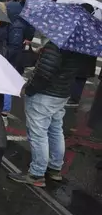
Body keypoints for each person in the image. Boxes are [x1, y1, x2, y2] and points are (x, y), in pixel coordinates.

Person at [8, 39, 84, 187]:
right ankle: (55, 168)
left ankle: (36, 173)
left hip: (45, 94)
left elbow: (44, 73)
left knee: (38, 133)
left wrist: (28, 89)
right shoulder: (76, 44)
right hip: (61, 92)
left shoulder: (56, 44)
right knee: (55, 129)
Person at [67, 4, 97, 107]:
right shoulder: (95, 24)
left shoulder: (80, 23)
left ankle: (73, 98)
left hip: (80, 57)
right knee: (80, 79)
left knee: (76, 78)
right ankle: (74, 98)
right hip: (89, 58)